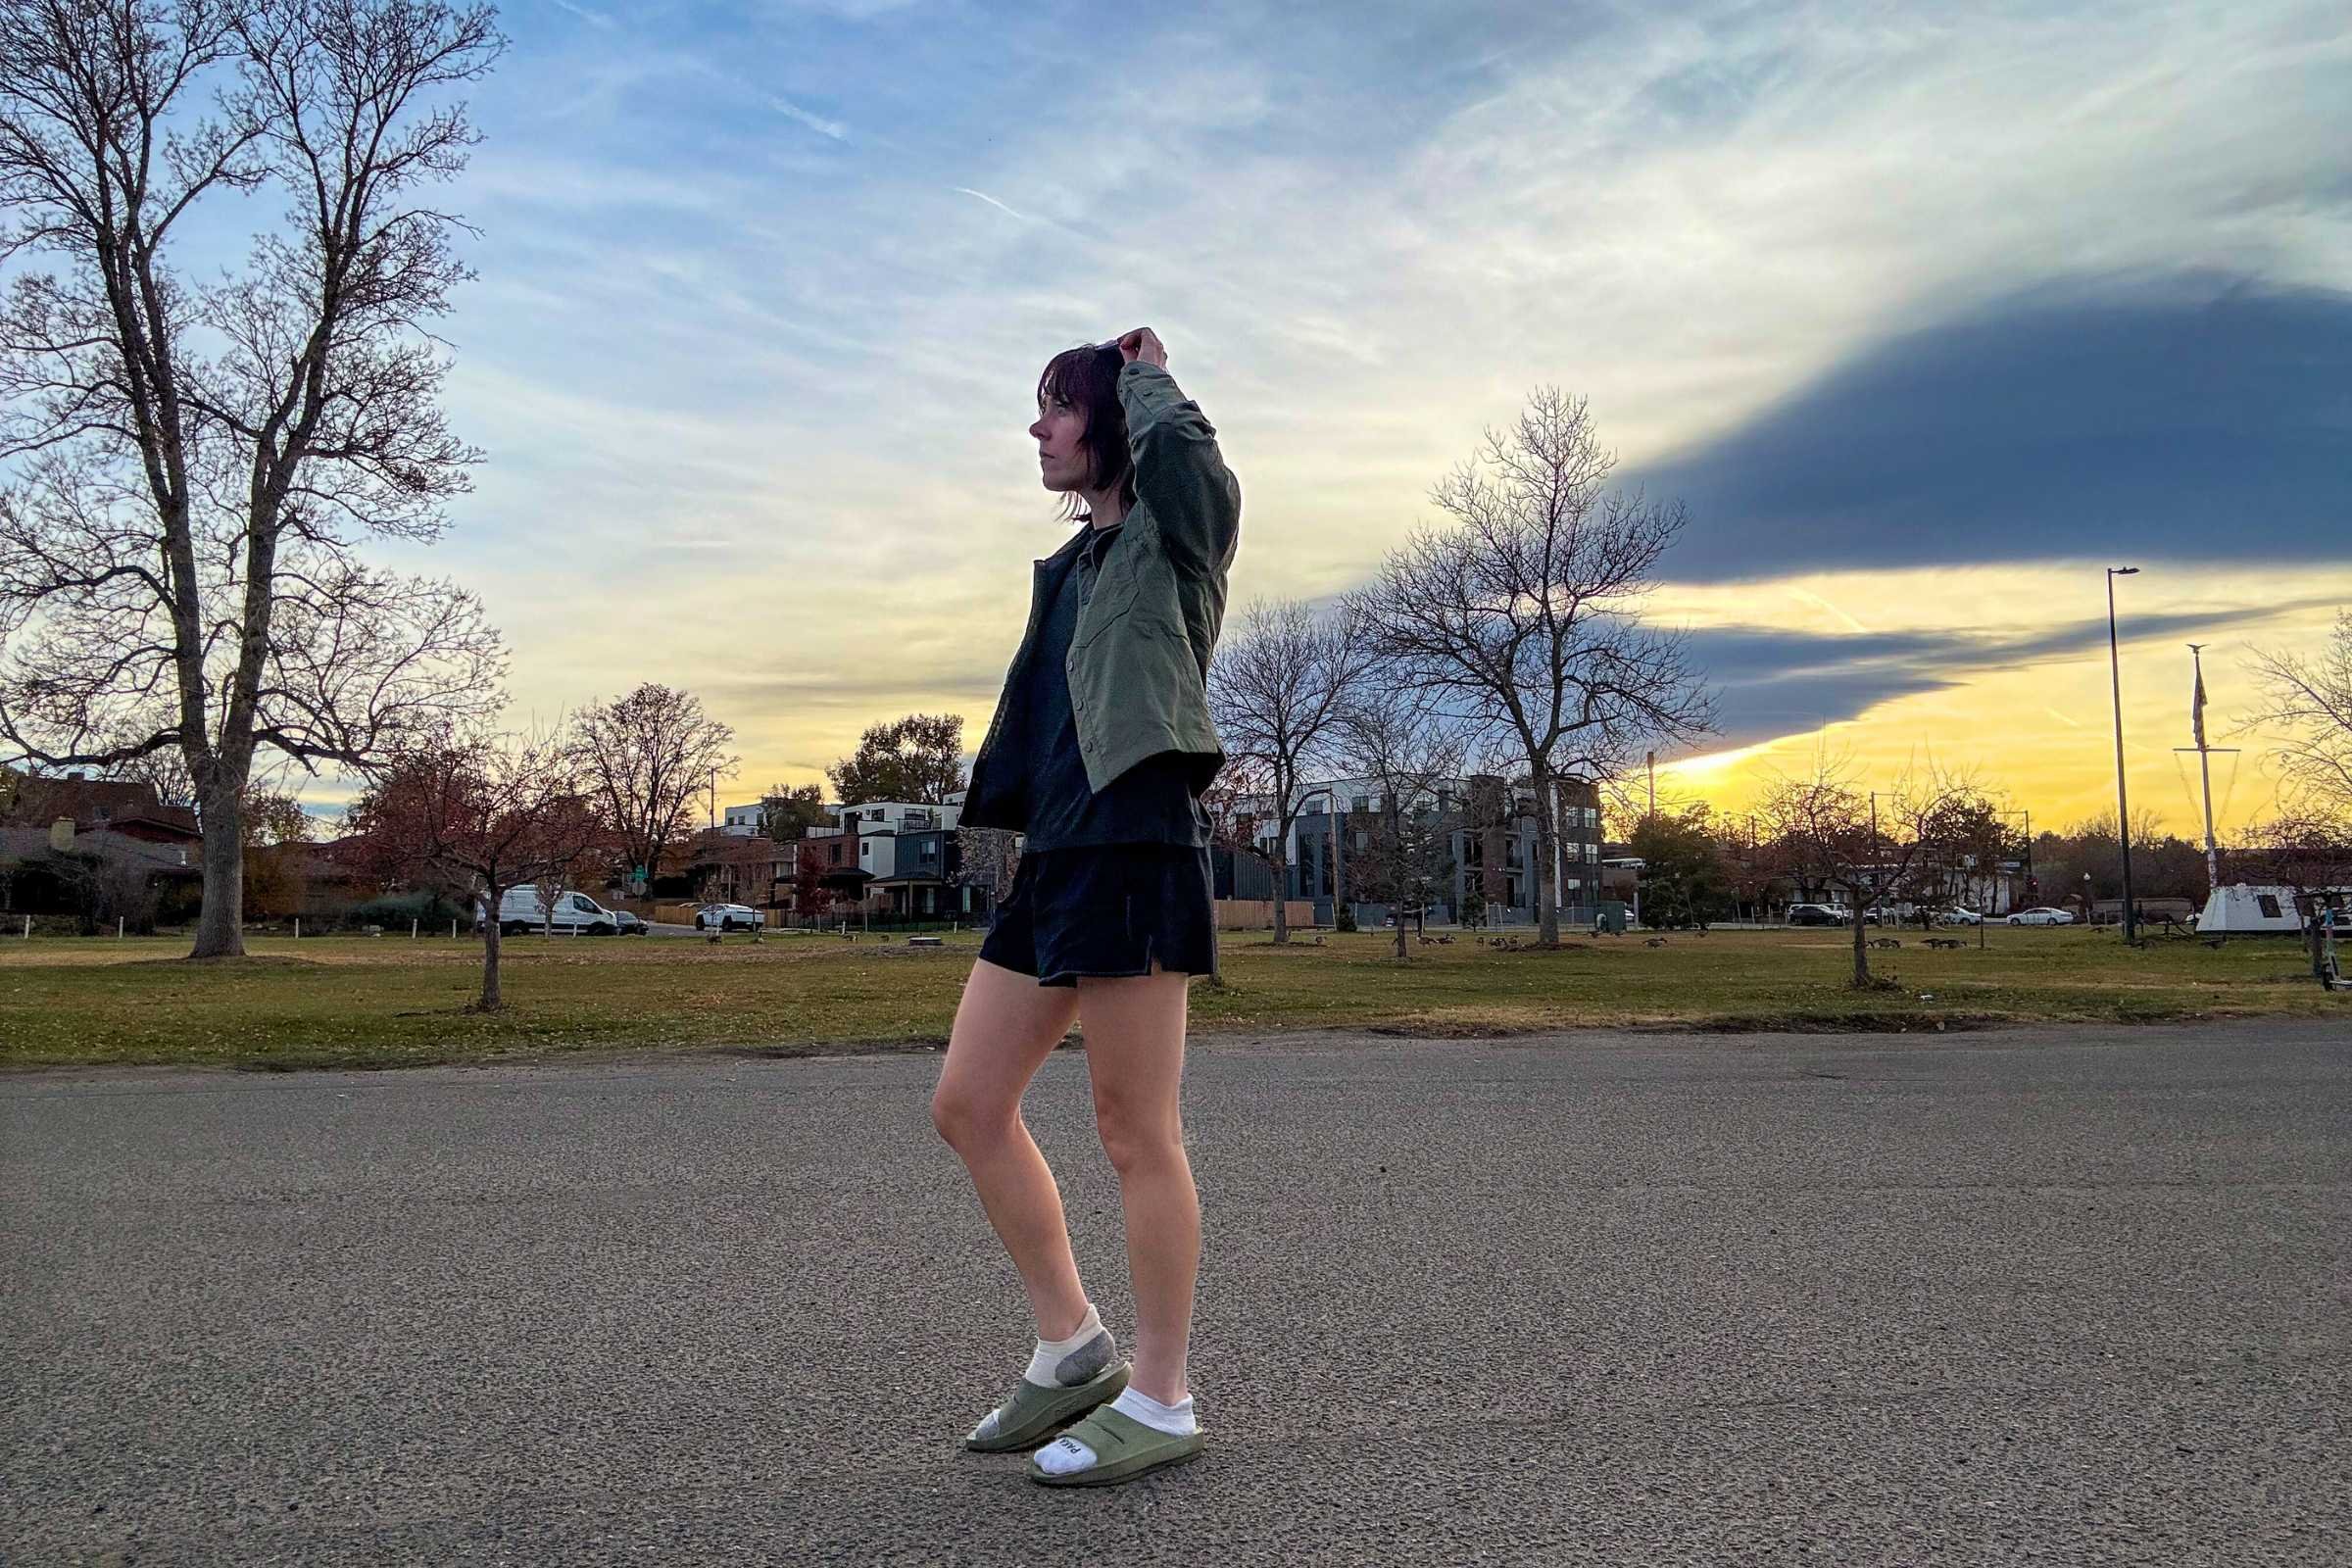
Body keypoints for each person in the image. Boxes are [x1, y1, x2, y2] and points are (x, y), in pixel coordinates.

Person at [933, 325, 1240, 1487]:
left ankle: (1162, 1396)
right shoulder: (1071, 571)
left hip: (1135, 841)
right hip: (1057, 853)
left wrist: (1145, 372)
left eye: (1057, 406)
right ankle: (1073, 1349)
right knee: (967, 1102)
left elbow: (1197, 469)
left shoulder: (1178, 540)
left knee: (1133, 1129)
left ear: (1111, 419)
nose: (1037, 427)